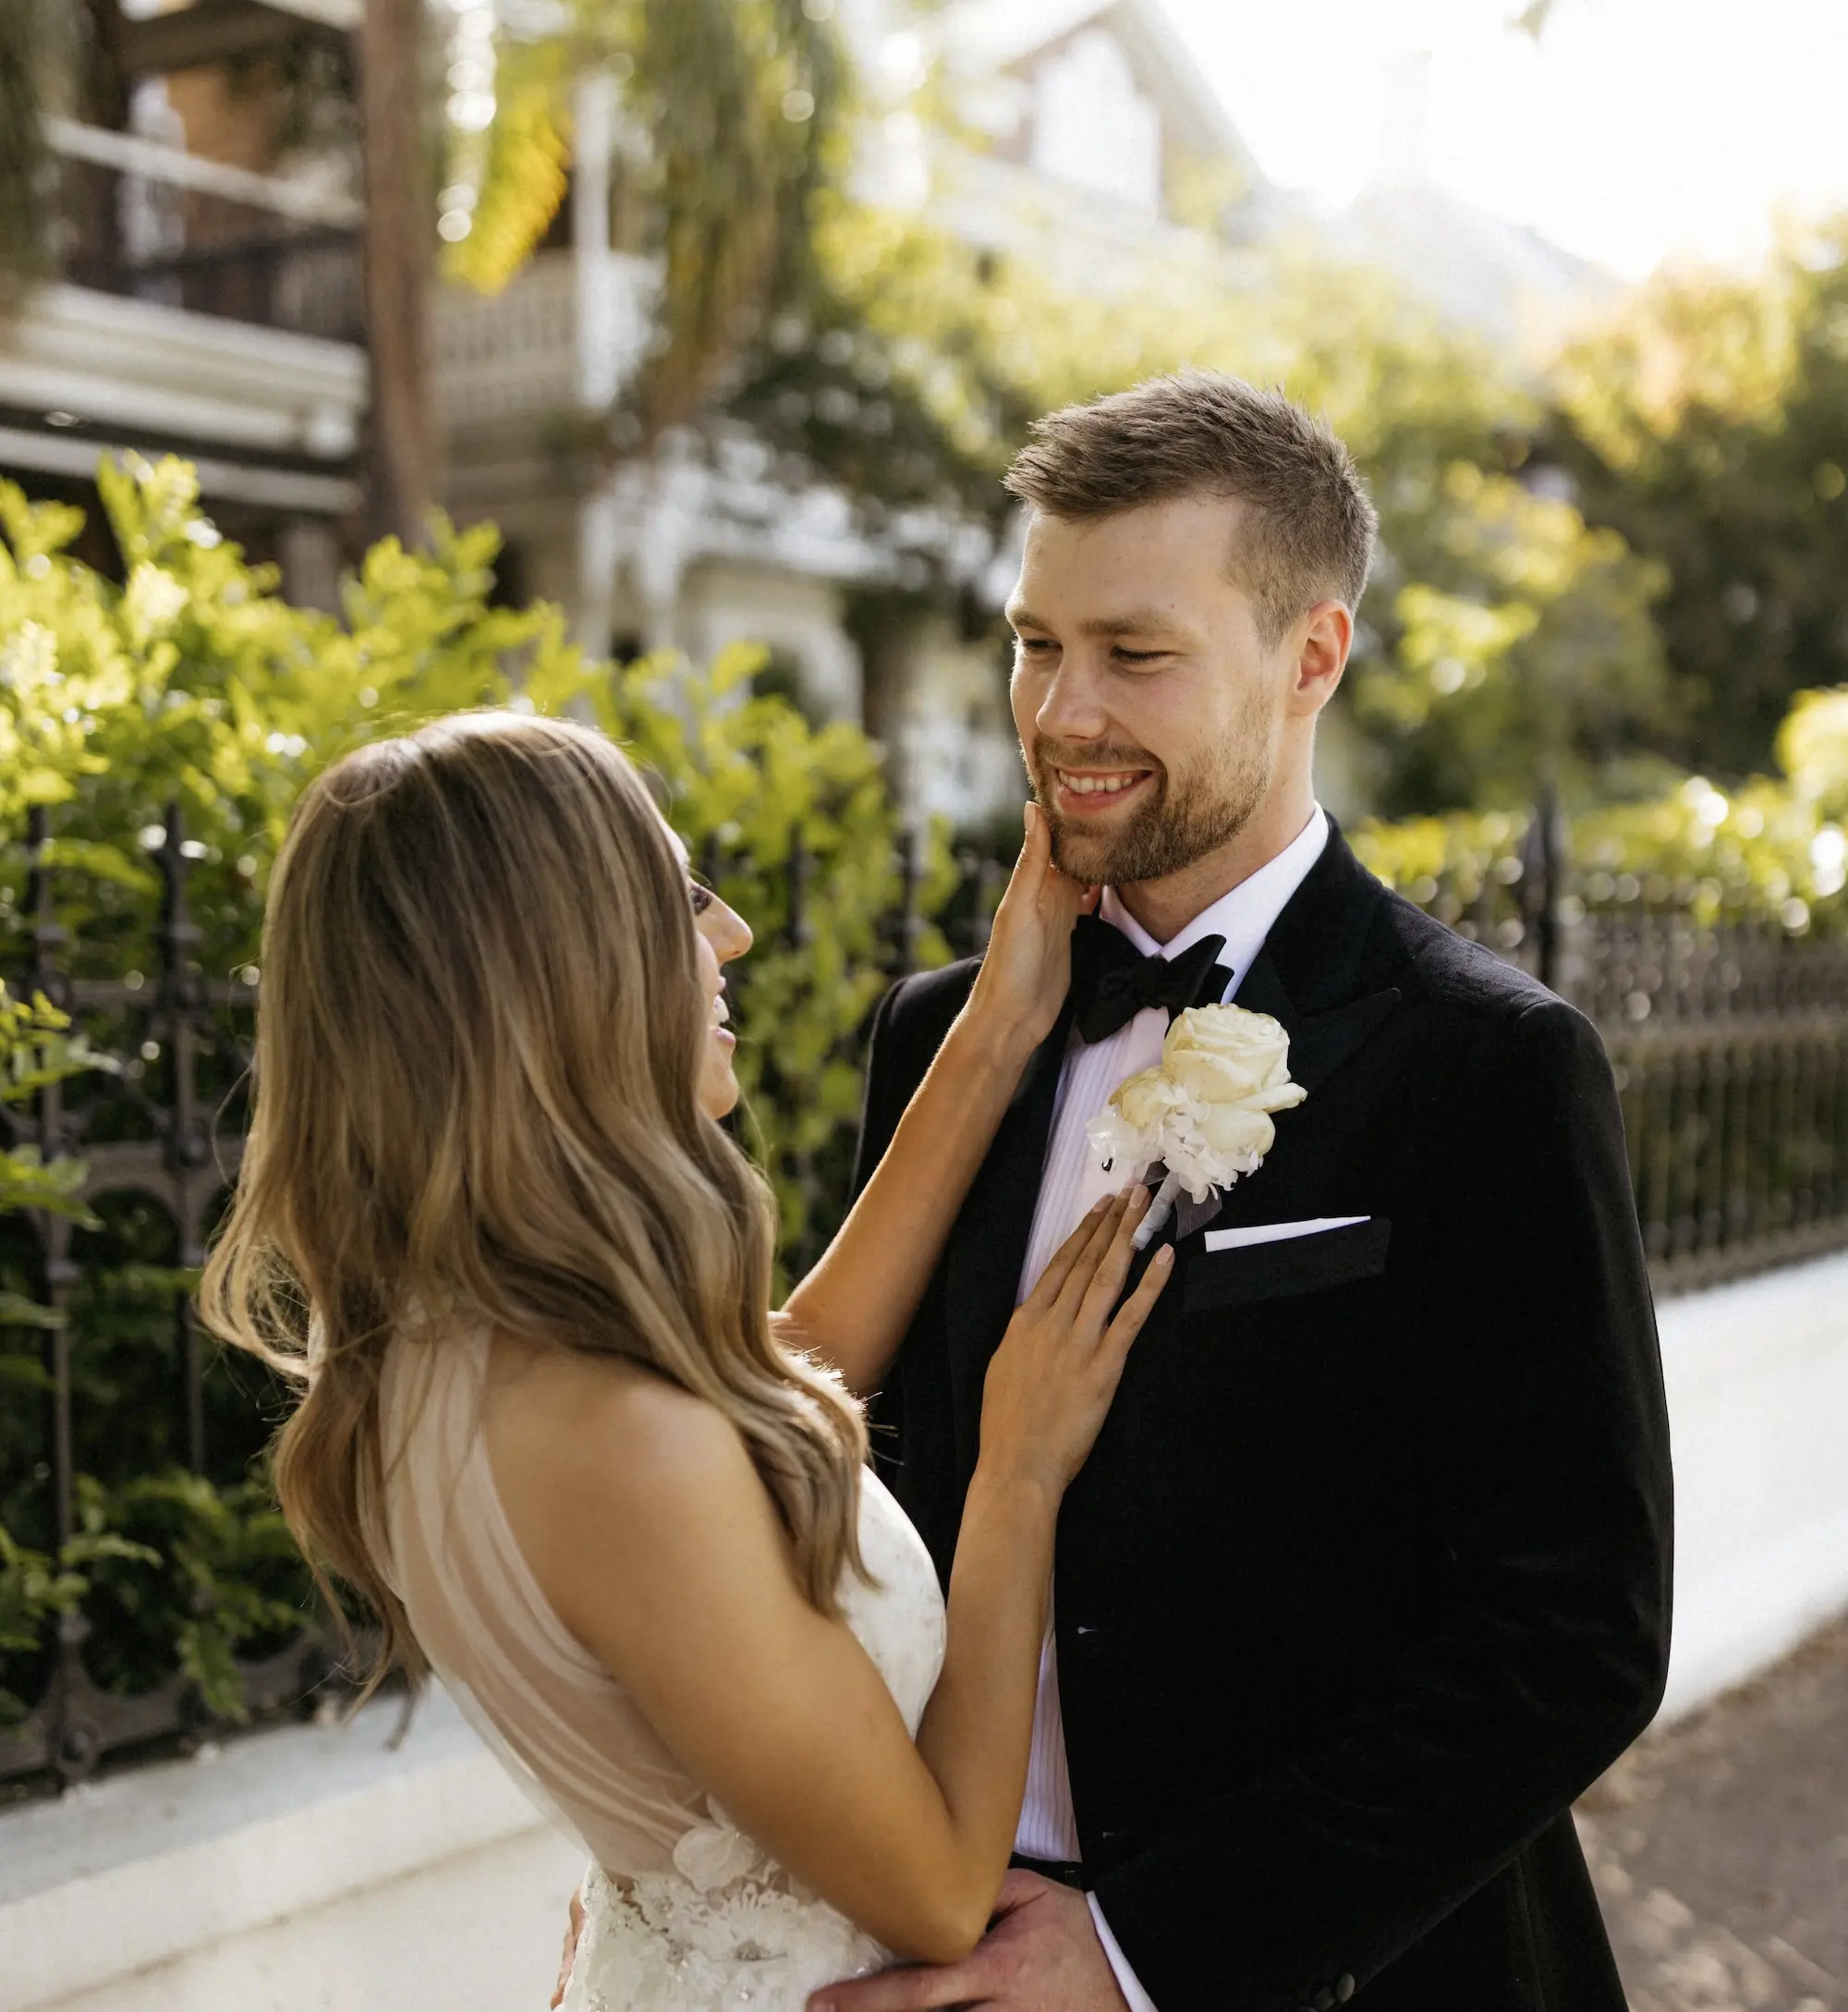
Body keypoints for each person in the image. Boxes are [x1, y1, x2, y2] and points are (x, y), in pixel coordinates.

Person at [811, 372, 1674, 2012]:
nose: (1063, 712)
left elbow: (1573, 1643)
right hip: (944, 1948)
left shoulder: (1489, 1066)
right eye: (1034, 643)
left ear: (1312, 659)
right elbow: (867, 1488)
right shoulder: (941, 1037)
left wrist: (1143, 1954)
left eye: (1135, 655)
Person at [199, 711, 1174, 2009]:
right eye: (676, 901)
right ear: (551, 974)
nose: (732, 936)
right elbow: (940, 1886)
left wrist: (999, 1027)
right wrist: (1020, 1474)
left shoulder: (449, 1352)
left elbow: (783, 1387)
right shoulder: (619, 1442)